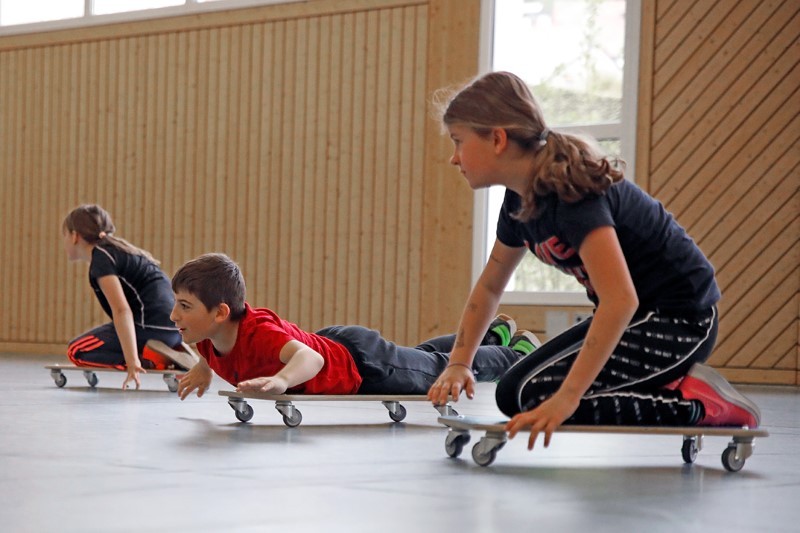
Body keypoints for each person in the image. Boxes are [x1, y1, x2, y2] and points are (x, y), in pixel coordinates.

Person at [426, 71, 761, 450]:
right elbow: (489, 287)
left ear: (497, 139)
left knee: (543, 398)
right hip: (633, 319)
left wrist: (568, 399)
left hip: (681, 320)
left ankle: (698, 405)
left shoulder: (571, 192)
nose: (454, 158)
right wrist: (459, 361)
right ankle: (657, 381)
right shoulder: (519, 200)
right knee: (513, 392)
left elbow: (620, 299)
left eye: (458, 142)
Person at [169, 253, 538, 401]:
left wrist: (281, 381)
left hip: (361, 364)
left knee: (434, 371)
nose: (174, 316)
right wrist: (204, 370)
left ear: (220, 312)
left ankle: (513, 353)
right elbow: (219, 354)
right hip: (340, 346)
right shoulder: (206, 338)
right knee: (420, 357)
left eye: (184, 307)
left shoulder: (259, 333)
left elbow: (310, 359)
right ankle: (492, 335)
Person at [62, 204, 196, 389]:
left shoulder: (101, 258)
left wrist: (132, 362)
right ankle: (168, 350)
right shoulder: (121, 251)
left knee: (76, 350)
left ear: (75, 236)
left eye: (65, 236)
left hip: (148, 329)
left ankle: (151, 359)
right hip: (174, 330)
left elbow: (121, 310)